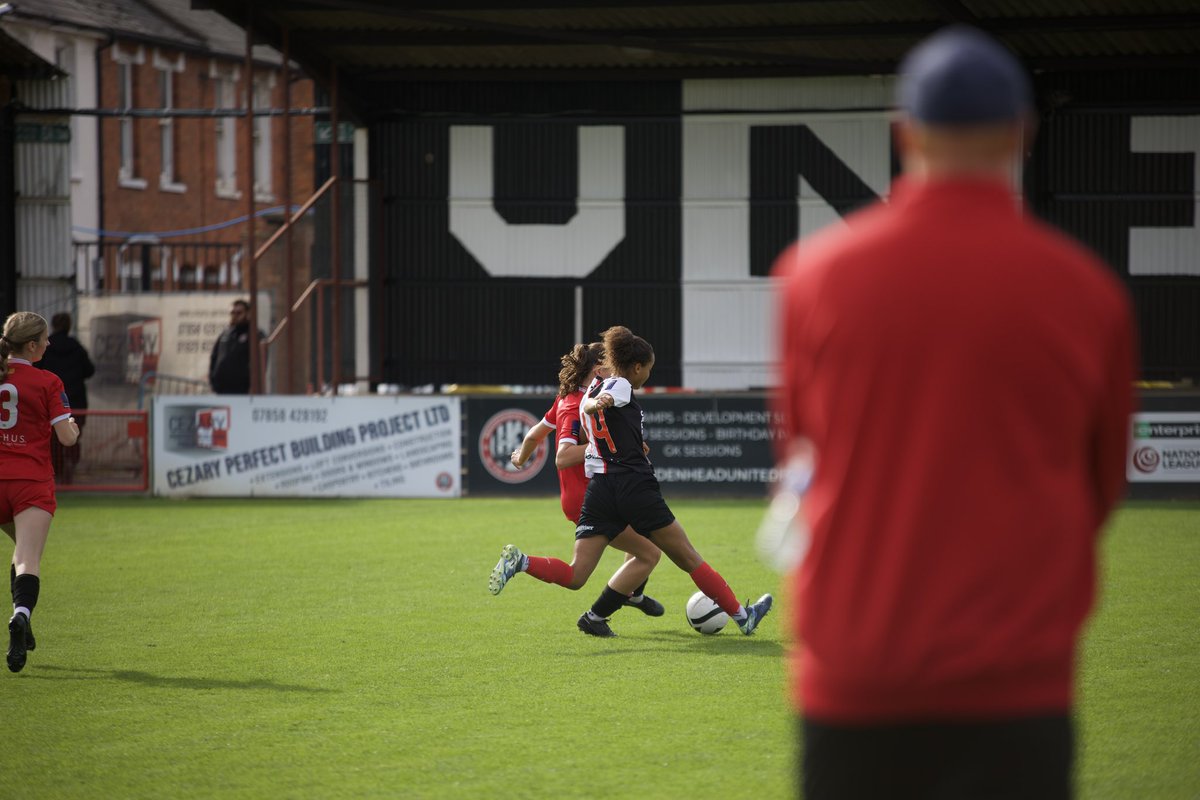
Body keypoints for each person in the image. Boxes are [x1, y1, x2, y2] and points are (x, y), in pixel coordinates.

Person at [771, 26, 1137, 799]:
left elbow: (803, 455)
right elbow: (1099, 488)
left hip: (854, 681)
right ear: (1023, 134)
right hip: (1016, 686)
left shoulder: (814, 276)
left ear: (904, 133)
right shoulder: (1086, 291)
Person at [496, 325, 773, 638]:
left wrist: (602, 412)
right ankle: (742, 616)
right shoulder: (619, 386)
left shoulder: (585, 392)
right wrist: (603, 404)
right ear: (636, 366)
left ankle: (578, 595)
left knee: (579, 574)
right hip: (633, 485)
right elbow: (611, 399)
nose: (648, 376)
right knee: (686, 556)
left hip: (600, 491)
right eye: (649, 369)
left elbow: (595, 421)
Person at [491, 342, 665, 626]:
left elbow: (535, 434)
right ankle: (610, 606)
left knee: (638, 539)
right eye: (612, 362)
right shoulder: (574, 406)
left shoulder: (569, 398)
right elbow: (562, 457)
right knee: (647, 552)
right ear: (600, 369)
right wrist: (607, 445)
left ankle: (630, 593)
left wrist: (520, 459)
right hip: (590, 498)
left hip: (589, 495)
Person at [1, 312, 80, 673]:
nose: (49, 344)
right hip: (29, 481)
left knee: (20, 553)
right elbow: (66, 437)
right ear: (31, 345)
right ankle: (20, 615)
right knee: (28, 558)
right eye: (45, 340)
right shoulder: (47, 381)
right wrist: (74, 428)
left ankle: (25, 622)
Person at [37, 312, 95, 484]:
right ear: (69, 326)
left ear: (53, 326)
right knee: (73, 436)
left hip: (50, 401)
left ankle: (57, 472)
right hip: (76, 401)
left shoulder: (45, 348)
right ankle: (70, 464)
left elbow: (37, 369)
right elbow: (90, 370)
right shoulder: (76, 347)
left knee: (53, 440)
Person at [208, 299, 264, 394]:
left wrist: (253, 386)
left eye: (239, 313)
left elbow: (261, 362)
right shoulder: (226, 333)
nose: (235, 316)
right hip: (221, 389)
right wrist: (212, 379)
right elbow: (214, 356)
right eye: (233, 313)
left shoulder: (255, 334)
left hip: (241, 390)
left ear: (248, 314)